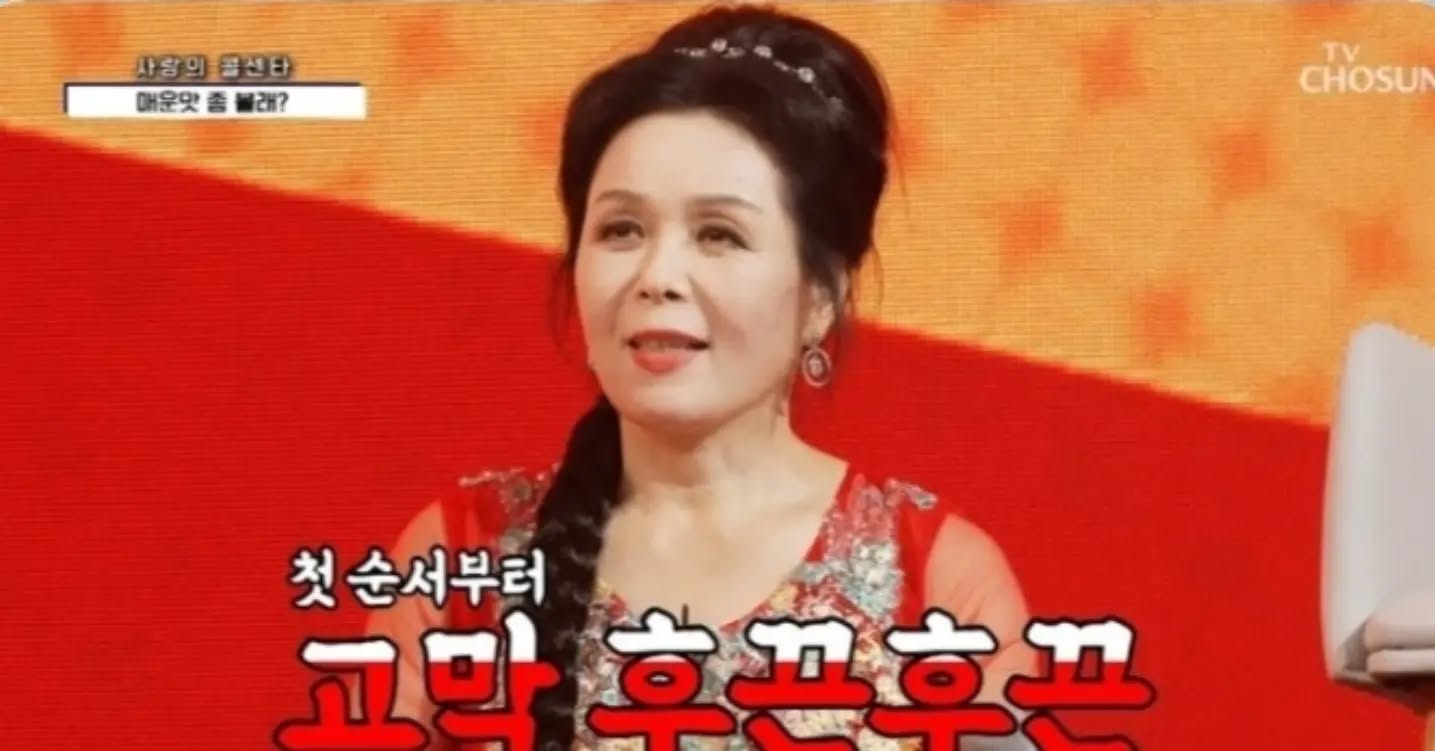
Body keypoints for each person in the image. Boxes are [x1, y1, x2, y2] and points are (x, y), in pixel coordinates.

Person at [367, 4, 1037, 749]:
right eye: (621, 230)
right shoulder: (462, 557)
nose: (656, 275)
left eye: (719, 234)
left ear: (823, 296)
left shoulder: (934, 577)